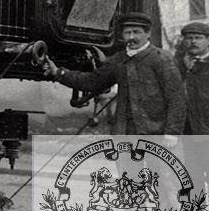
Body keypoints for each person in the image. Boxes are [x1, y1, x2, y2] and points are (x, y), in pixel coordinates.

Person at [44, 12, 186, 135]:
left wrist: (172, 133)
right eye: (127, 33)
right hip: (124, 132)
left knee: (157, 168)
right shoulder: (119, 59)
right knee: (126, 167)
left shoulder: (162, 59)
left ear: (148, 33)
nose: (131, 37)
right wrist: (59, 73)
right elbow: (92, 82)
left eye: (136, 32)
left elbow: (176, 100)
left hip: (156, 133)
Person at [175, 21, 209, 134]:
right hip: (189, 127)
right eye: (189, 38)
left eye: (198, 38)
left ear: (208, 40)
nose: (193, 41)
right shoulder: (177, 65)